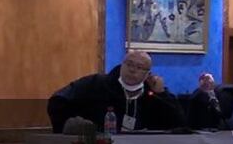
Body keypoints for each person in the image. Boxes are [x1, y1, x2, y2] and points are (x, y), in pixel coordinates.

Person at [47, 51, 184, 133]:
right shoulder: (96, 83)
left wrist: (161, 93)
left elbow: (179, 124)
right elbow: (58, 100)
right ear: (122, 65)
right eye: (129, 64)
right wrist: (70, 124)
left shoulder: (153, 95)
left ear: (148, 74)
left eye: (139, 67)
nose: (132, 70)